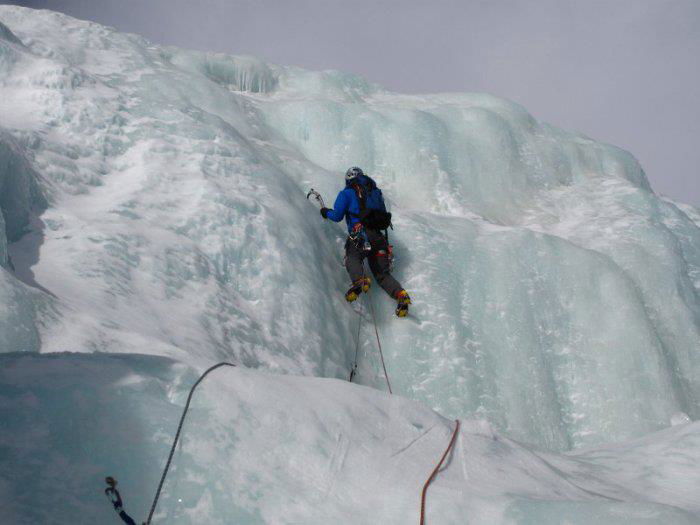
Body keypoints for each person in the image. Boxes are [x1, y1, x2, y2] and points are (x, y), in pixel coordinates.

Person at [320, 167, 412, 317]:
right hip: (379, 239)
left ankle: (359, 280)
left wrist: (325, 211)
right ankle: (401, 295)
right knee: (382, 275)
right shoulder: (375, 193)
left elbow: (337, 216)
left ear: (348, 180)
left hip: (360, 235)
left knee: (353, 258)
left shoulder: (347, 193)